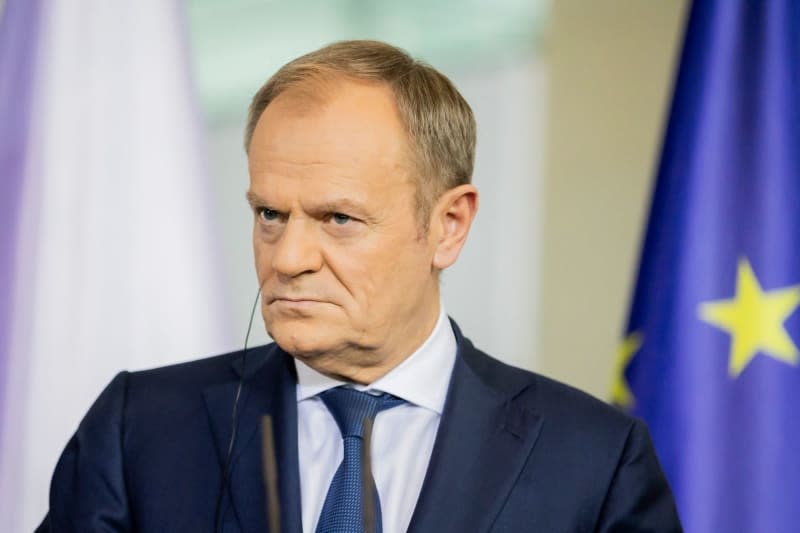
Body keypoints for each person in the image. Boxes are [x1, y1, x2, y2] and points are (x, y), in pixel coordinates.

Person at [37, 40, 681, 532]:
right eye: (269, 214)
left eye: (337, 218)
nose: (287, 258)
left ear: (448, 226)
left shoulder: (595, 460)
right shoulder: (139, 430)